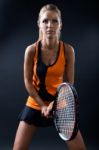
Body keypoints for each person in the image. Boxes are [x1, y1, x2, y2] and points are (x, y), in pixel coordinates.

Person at [13, 4, 86, 150]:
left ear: (60, 25)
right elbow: (28, 82)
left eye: (55, 21)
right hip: (35, 103)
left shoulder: (68, 50)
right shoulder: (31, 50)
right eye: (45, 21)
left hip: (60, 104)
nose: (49, 25)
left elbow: (69, 82)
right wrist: (42, 105)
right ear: (39, 24)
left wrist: (55, 104)